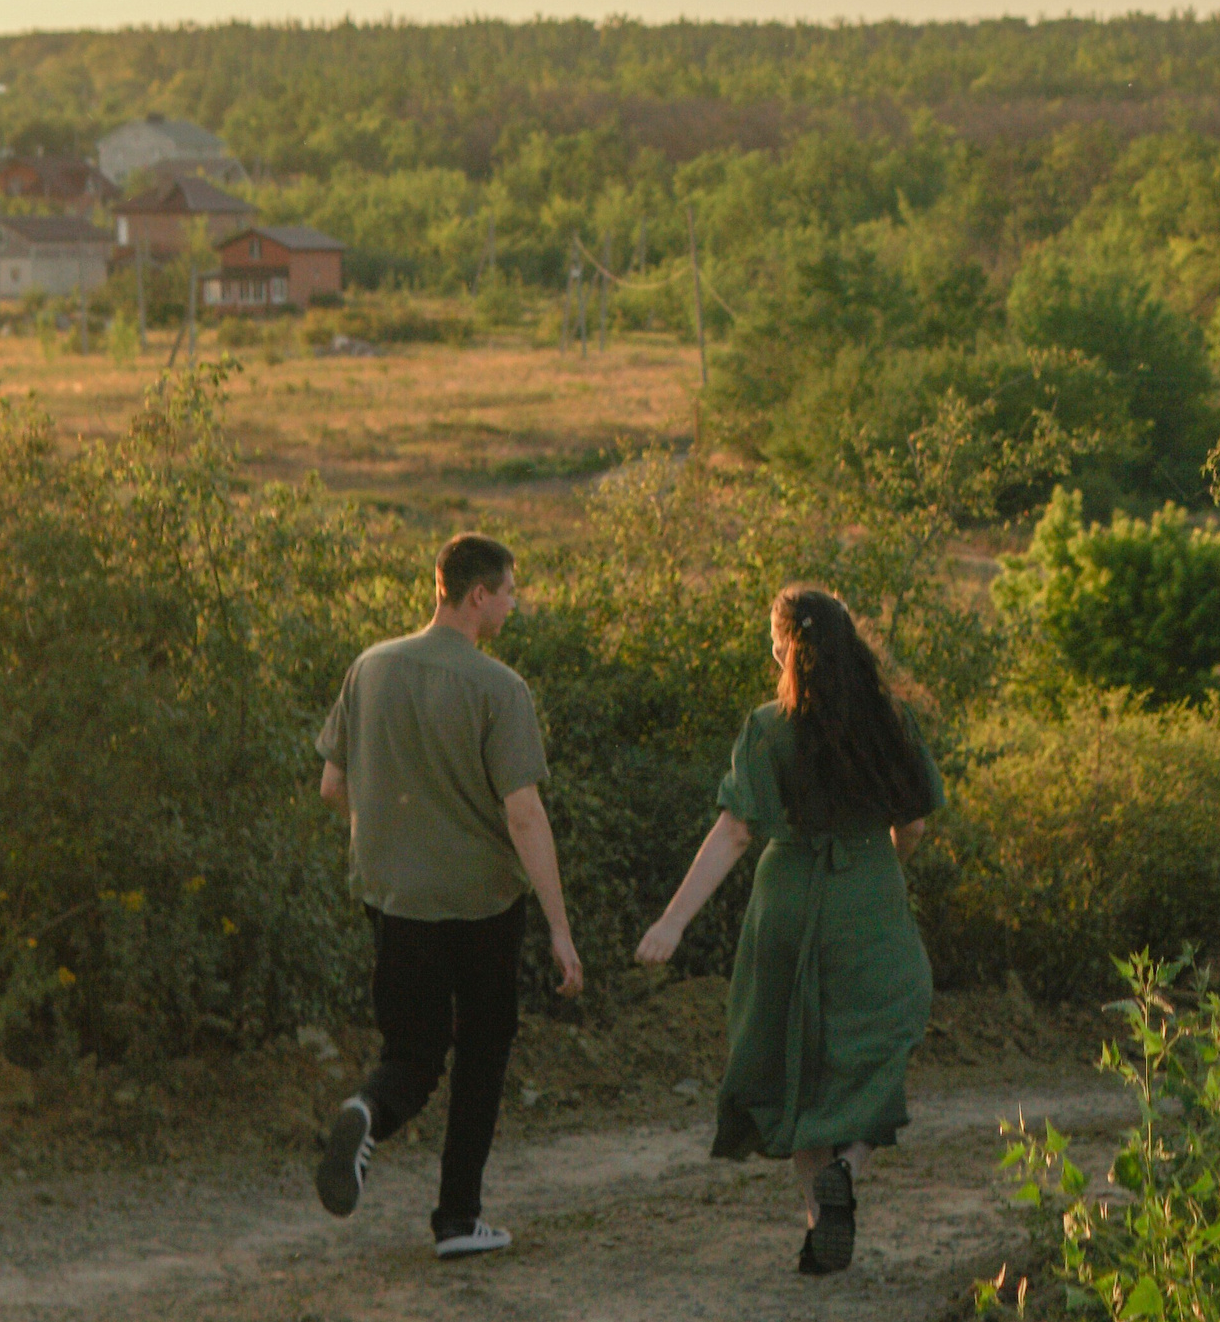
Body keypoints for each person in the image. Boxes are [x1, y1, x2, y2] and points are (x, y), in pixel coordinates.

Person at [637, 584, 945, 1274]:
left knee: (798, 1055)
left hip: (788, 893)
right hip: (868, 888)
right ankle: (851, 1165)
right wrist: (883, 870)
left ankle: (818, 1227)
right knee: (883, 1038)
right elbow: (915, 823)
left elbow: (737, 830)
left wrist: (673, 920)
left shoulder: (768, 726)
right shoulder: (893, 719)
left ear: (784, 647)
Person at [312, 532, 584, 1260]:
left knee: (413, 1050)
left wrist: (395, 840)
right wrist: (559, 926)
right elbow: (523, 814)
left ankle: (367, 1109)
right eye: (509, 592)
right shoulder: (500, 688)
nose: (514, 603)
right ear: (476, 597)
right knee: (484, 1049)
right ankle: (458, 1218)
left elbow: (333, 786)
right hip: (482, 902)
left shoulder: (369, 667)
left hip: (394, 897)